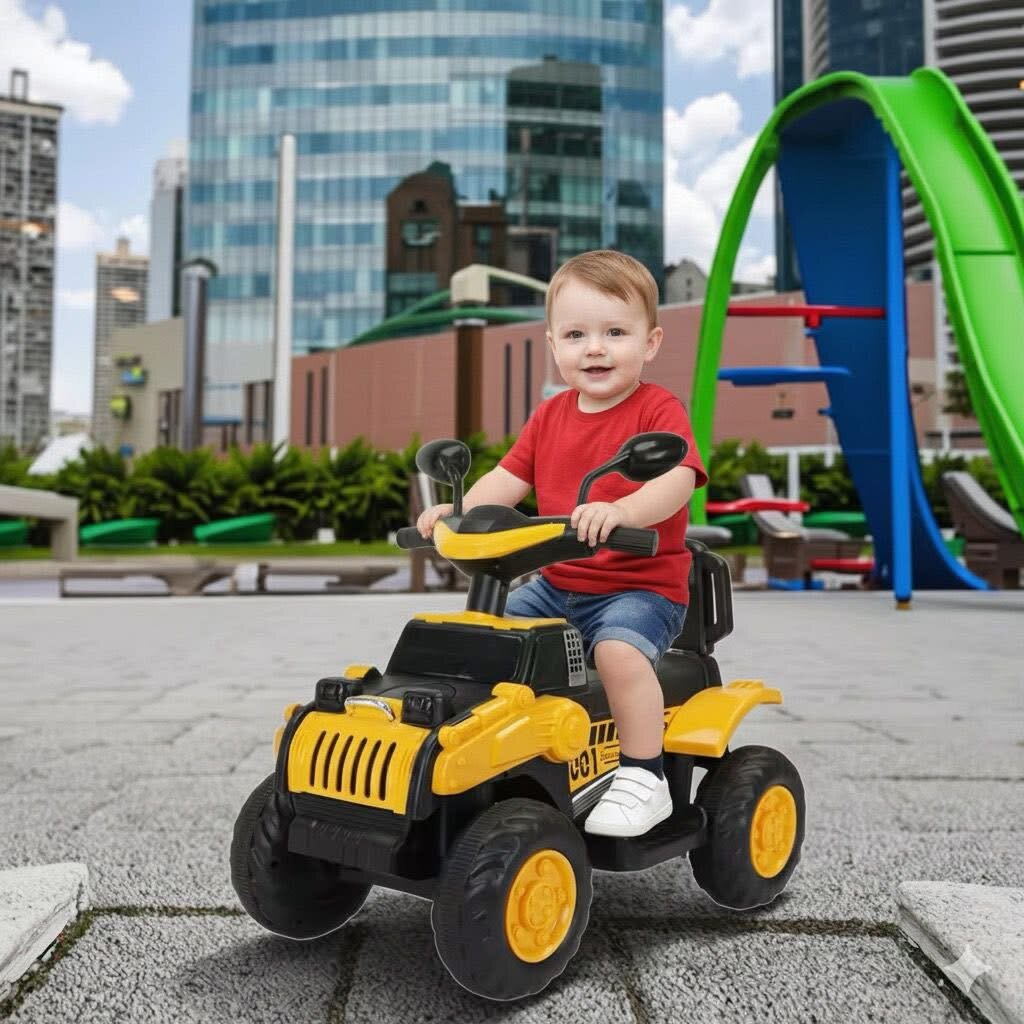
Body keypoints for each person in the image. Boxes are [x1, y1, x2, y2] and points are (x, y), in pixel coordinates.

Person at [416, 249, 707, 837]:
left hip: (639, 587)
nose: (594, 348)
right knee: (483, 639)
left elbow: (677, 480)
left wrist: (621, 509)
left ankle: (643, 775)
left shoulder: (657, 408)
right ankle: (484, 748)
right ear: (553, 344)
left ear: (649, 343)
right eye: (576, 334)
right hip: (556, 585)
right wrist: (461, 509)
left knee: (618, 654)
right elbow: (508, 478)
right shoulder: (550, 415)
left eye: (614, 332)